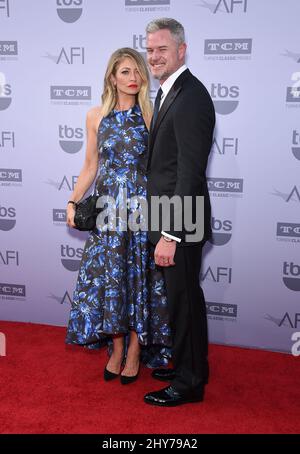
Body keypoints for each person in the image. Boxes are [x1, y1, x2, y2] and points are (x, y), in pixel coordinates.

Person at [65, 48, 171, 384]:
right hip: (108, 212)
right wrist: (72, 200)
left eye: (138, 72)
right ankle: (115, 348)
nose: (133, 78)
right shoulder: (95, 116)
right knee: (111, 279)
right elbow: (90, 165)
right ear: (112, 77)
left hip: (140, 211)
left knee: (139, 278)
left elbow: (163, 166)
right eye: (125, 72)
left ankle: (136, 351)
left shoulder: (151, 115)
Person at [144, 18, 215, 406]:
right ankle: (191, 366)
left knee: (184, 302)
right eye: (150, 49)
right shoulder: (171, 91)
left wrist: (171, 233)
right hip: (170, 218)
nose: (154, 56)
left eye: (162, 50)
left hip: (180, 224)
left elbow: (190, 171)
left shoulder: (191, 97)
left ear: (181, 51)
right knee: (184, 301)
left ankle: (189, 384)